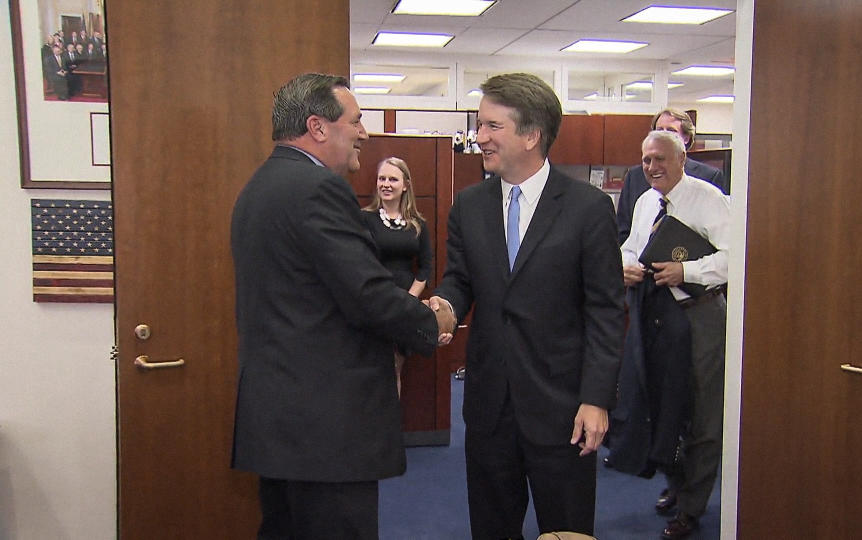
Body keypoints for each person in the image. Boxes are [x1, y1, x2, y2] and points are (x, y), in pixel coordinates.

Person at [230, 73, 456, 539]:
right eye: (355, 121)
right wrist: (434, 321)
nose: (364, 133)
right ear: (318, 127)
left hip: (282, 421)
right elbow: (367, 294)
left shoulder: (260, 186)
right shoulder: (317, 190)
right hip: (325, 429)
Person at [428, 73, 624, 539]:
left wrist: (596, 399)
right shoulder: (468, 206)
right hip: (490, 405)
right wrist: (446, 308)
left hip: (564, 410)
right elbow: (461, 279)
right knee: (492, 527)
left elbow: (606, 311)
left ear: (532, 135)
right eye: (480, 125)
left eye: (492, 127)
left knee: (568, 528)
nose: (479, 138)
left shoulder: (588, 208)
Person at [619, 130, 729, 539]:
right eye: (646, 160)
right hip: (654, 314)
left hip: (698, 315)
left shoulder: (709, 199)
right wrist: (624, 264)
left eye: (661, 159)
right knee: (660, 405)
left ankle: (692, 507)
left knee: (702, 414)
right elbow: (630, 247)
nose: (652, 167)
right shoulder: (647, 201)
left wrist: (688, 271)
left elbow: (738, 256)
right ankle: (678, 484)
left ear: (683, 158)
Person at [361, 156, 433, 396]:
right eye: (382, 178)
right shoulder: (364, 219)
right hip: (373, 304)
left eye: (393, 179)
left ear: (406, 185)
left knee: (394, 370)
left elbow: (425, 268)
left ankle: (390, 431)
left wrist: (408, 301)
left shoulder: (417, 224)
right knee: (371, 371)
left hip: (404, 307)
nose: (386, 184)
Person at [616, 108, 727, 244]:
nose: (653, 167)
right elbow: (628, 239)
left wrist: (684, 266)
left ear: (686, 138)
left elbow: (727, 250)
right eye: (659, 130)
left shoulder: (709, 190)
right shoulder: (644, 196)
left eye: (670, 131)